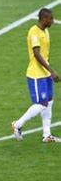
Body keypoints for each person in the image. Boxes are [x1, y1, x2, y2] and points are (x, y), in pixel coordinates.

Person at [12, 8, 60, 142]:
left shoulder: (46, 31)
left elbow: (45, 55)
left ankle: (47, 135)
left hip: (45, 74)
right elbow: (37, 54)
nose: (52, 21)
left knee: (49, 102)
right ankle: (17, 124)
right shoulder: (34, 32)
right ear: (43, 19)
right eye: (50, 18)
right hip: (36, 74)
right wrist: (51, 70)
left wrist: (50, 71)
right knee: (42, 103)